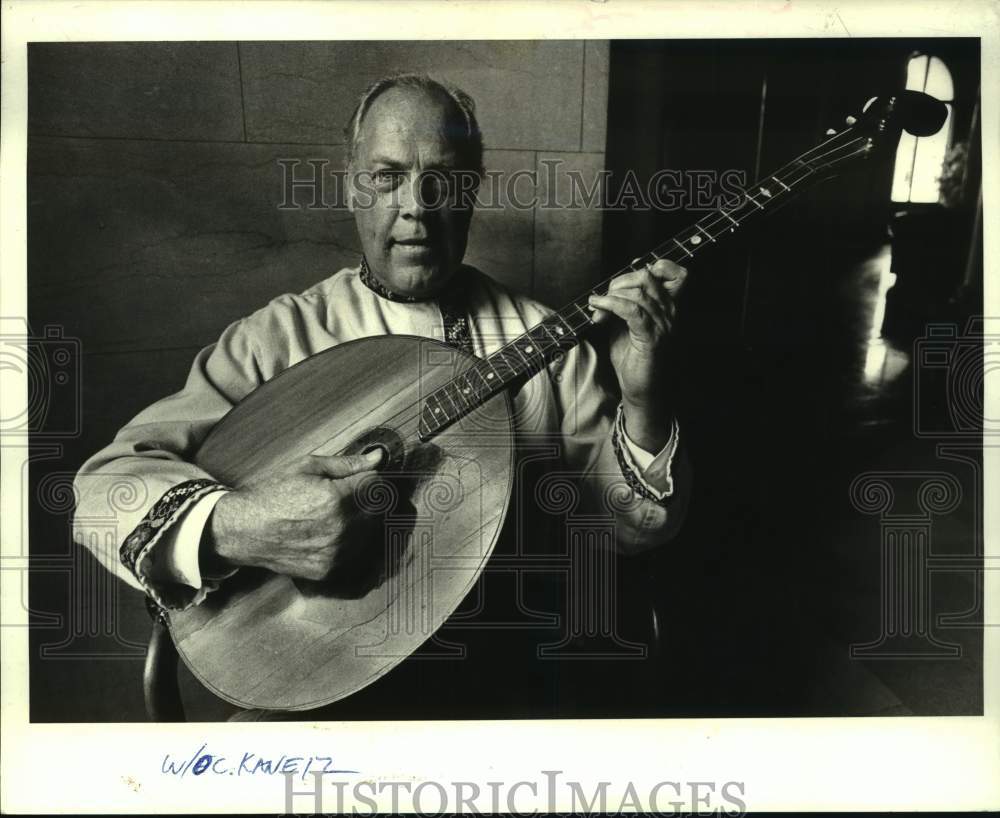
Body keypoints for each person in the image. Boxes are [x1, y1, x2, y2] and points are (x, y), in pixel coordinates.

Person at [73, 73, 691, 718]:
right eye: (387, 176)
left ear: (472, 191)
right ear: (350, 186)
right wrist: (241, 526)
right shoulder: (279, 338)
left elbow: (633, 530)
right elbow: (100, 491)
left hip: (506, 674)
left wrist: (643, 395)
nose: (416, 207)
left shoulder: (543, 337)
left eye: (442, 180)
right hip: (315, 685)